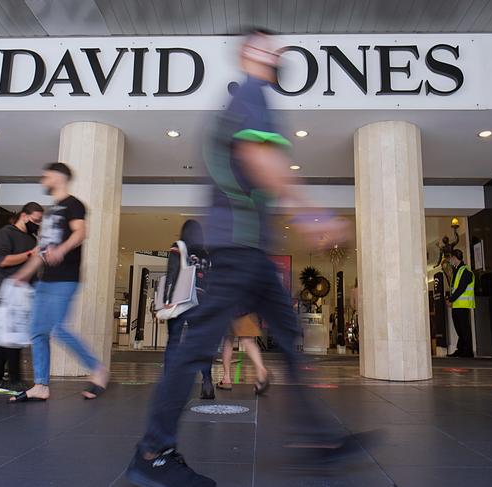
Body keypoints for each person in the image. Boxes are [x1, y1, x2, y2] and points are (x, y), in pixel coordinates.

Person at [126, 30, 351, 487]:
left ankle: (320, 439)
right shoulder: (251, 94)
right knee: (195, 350)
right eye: (271, 47)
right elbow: (260, 160)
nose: (279, 53)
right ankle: (152, 452)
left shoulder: (253, 97)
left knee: (287, 338)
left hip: (251, 251)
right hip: (238, 250)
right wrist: (315, 215)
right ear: (251, 53)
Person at [9, 162, 108, 402]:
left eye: (47, 176)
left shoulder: (74, 205)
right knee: (37, 332)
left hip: (65, 277)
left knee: (57, 328)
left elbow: (80, 232)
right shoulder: (51, 211)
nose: (43, 180)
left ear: (59, 177)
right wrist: (24, 273)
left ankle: (97, 369)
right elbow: (42, 250)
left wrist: (62, 250)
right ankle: (41, 385)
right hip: (46, 279)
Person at [0, 202, 43, 394]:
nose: (38, 224)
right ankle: (13, 379)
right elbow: (3, 261)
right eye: (36, 220)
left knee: (10, 336)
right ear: (24, 216)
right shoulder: (6, 233)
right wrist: (29, 254)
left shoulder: (32, 239)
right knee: (12, 335)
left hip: (25, 290)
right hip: (6, 287)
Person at [162, 219, 214, 400]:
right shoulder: (206, 253)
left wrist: (167, 298)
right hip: (202, 300)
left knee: (174, 341)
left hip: (181, 298)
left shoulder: (178, 246)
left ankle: (169, 384)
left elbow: (173, 271)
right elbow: (210, 279)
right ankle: (207, 382)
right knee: (201, 342)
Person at [216, 312, 269, 395]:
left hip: (230, 306)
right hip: (248, 306)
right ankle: (260, 369)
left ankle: (226, 379)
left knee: (228, 339)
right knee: (248, 340)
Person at [447, 249, 475, 358]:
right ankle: (461, 349)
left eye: (451, 258)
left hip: (463, 305)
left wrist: (451, 299)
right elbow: (454, 288)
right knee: (459, 328)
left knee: (464, 328)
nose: (450, 261)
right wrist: (450, 299)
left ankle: (468, 351)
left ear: (454, 258)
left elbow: (461, 288)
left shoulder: (466, 271)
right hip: (456, 305)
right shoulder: (457, 270)